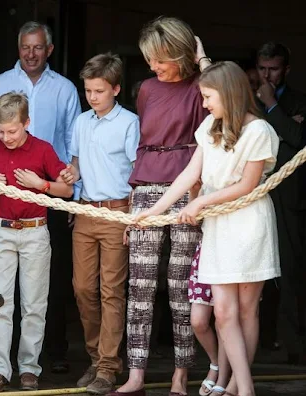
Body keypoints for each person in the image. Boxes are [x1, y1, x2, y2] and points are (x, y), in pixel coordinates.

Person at [135, 60, 281, 396]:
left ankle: (237, 388)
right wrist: (154, 211)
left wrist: (201, 203)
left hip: (248, 224)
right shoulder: (208, 128)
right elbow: (189, 175)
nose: (204, 104)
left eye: (208, 96)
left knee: (246, 310)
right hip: (218, 227)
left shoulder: (259, 131)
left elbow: (248, 184)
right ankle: (245, 388)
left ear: (228, 95)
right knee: (223, 312)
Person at [0, 21, 81, 373]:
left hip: (45, 208)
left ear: (48, 49)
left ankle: (41, 361)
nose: (31, 54)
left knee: (42, 294)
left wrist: (58, 187)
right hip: (4, 221)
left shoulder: (63, 90)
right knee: (1, 300)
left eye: (37, 47)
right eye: (25, 47)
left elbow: (74, 141)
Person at [109, 16, 210, 396]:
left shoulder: (202, 86)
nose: (153, 66)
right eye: (149, 59)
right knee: (140, 284)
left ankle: (181, 374)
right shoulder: (148, 89)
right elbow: (142, 144)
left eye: (160, 59)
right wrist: (133, 200)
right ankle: (135, 374)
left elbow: (220, 108)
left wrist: (204, 60)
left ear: (179, 54)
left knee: (181, 284)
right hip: (147, 186)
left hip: (188, 187)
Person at [0, 92, 73, 392]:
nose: (5, 137)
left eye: (12, 131)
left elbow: (67, 191)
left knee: (33, 304)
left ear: (27, 122)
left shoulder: (43, 150)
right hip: (2, 231)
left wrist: (40, 185)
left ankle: (29, 368)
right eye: (0, 131)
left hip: (34, 232)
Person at [61, 52, 139, 394]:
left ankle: (108, 366)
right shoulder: (81, 122)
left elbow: (137, 174)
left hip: (117, 212)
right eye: (88, 90)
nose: (92, 97)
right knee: (81, 288)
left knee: (111, 291)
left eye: (99, 91)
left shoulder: (129, 123)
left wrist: (132, 219)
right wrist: (70, 174)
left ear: (116, 89)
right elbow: (76, 164)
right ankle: (96, 358)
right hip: (84, 211)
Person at [254, 41, 306, 364]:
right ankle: (259, 341)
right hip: (252, 197)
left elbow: (297, 143)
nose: (267, 75)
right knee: (254, 271)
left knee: (289, 270)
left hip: (288, 199)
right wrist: (285, 122)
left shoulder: (300, 100)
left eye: (273, 68)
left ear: (285, 69)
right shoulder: (245, 101)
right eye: (262, 68)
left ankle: (292, 345)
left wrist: (273, 106)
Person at [188, 241, 231, 396]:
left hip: (231, 248)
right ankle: (216, 364)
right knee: (198, 321)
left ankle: (223, 377)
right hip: (206, 249)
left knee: (224, 320)